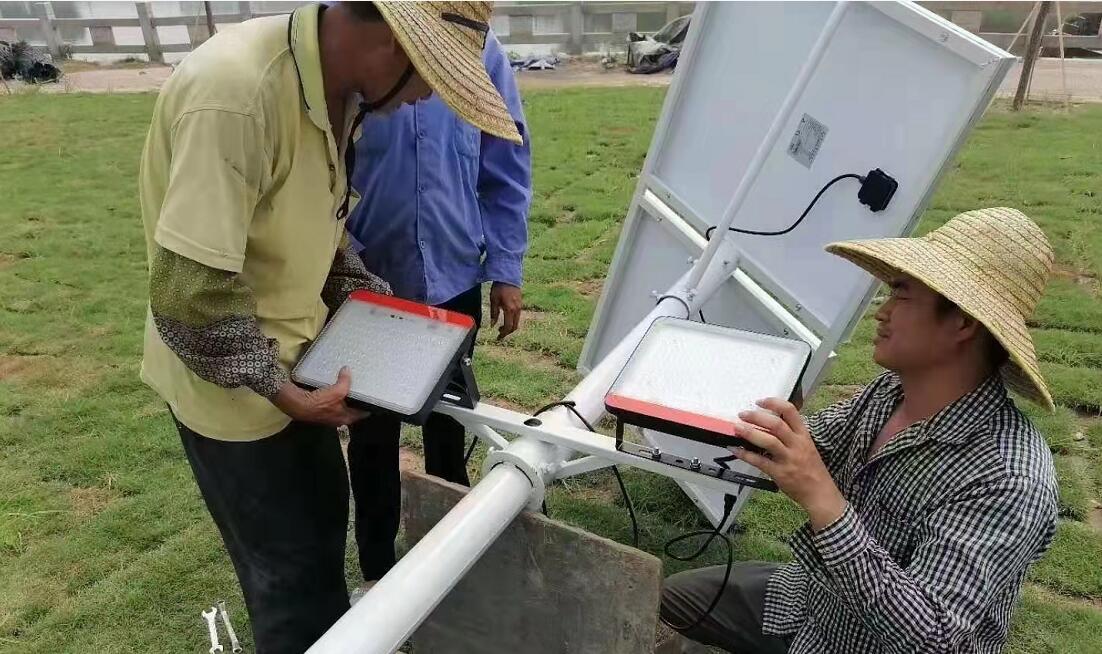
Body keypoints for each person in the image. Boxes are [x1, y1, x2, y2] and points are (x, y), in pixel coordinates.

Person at [137, 3, 521, 652]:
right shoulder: (235, 94)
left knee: (317, 551)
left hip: (299, 372)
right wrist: (288, 394)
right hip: (239, 401)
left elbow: (322, 237)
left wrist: (376, 309)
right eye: (432, 81)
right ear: (391, 49)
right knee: (294, 591)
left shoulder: (334, 92)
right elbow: (191, 294)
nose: (423, 100)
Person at [659, 208, 1059, 654]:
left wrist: (823, 500)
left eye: (902, 295)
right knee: (667, 600)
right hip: (808, 603)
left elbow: (935, 639)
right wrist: (774, 425)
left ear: (963, 322)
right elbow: (816, 446)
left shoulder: (1007, 478)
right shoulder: (891, 390)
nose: (882, 313)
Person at [344, 28, 531, 585]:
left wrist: (505, 265)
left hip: (452, 273)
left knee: (447, 422)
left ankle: (449, 558)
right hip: (367, 277)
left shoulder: (481, 50)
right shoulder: (363, 35)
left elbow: (506, 156)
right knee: (372, 431)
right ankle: (379, 572)